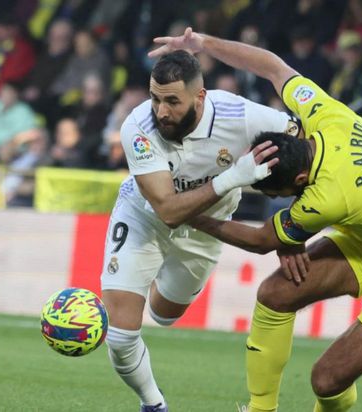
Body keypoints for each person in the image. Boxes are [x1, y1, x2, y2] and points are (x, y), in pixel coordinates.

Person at [150, 28, 362, 412]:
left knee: (326, 381)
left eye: (278, 196)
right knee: (276, 294)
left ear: (299, 181)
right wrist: (205, 45)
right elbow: (272, 66)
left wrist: (188, 212)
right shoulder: (324, 114)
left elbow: (262, 240)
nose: (278, 201)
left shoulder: (328, 196)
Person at [101, 50, 301, 412]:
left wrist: (296, 230)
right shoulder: (138, 127)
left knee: (165, 315)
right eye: (155, 99)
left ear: (200, 96)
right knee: (120, 335)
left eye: (172, 101)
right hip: (145, 217)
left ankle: (144, 274)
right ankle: (153, 404)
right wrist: (232, 177)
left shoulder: (240, 115)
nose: (161, 111)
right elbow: (167, 210)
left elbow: (305, 145)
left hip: (208, 227)